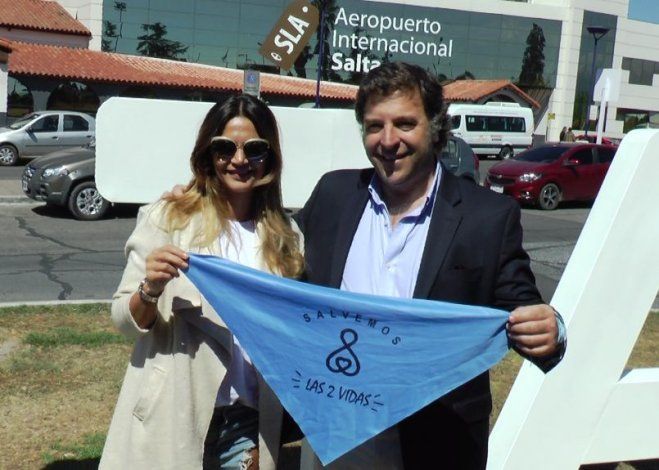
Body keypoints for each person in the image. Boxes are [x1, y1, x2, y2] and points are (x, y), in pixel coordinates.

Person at [295, 62, 565, 469]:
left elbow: (522, 306)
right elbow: (276, 260)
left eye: (405, 124)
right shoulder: (333, 193)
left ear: (435, 127)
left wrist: (550, 329)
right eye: (374, 126)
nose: (388, 141)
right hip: (338, 430)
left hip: (437, 442)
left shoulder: (487, 217)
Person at [100, 94, 305, 470]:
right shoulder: (169, 218)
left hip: (248, 421)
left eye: (254, 149)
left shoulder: (287, 237)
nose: (239, 160)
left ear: (270, 156)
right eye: (225, 148)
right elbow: (122, 320)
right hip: (174, 410)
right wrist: (150, 289)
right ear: (208, 153)